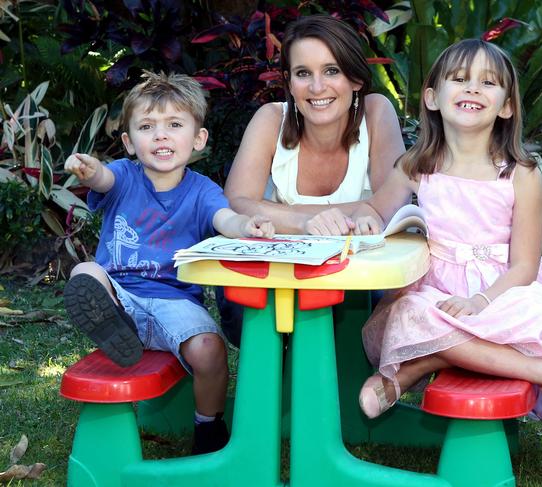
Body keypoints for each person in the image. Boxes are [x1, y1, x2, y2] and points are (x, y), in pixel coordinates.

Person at [350, 39, 542, 445]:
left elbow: (524, 265)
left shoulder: (520, 173)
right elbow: (375, 210)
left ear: (506, 105)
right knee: (410, 311)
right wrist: (364, 221)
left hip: (502, 294)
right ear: (432, 97)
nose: (472, 89)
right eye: (459, 79)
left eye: (487, 82)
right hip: (437, 291)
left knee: (537, 311)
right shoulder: (418, 165)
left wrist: (480, 302)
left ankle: (415, 368)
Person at [62, 71, 275, 455]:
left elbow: (223, 219)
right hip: (120, 296)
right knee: (85, 272)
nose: (160, 135)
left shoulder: (203, 190)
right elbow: (103, 178)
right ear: (129, 142)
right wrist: (90, 170)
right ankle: (116, 326)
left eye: (174, 125)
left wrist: (246, 224)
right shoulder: (125, 176)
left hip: (175, 304)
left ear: (198, 139)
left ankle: (208, 426)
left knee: (210, 349)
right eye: (147, 127)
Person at [219, 14, 406, 346]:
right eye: (303, 73)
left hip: (357, 283)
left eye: (331, 71)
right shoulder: (270, 119)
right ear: (290, 83)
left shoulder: (377, 112)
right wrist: (311, 223)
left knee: (377, 303)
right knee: (243, 308)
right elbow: (236, 201)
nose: (317, 88)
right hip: (279, 277)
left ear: (356, 79)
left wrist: (274, 213)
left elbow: (391, 204)